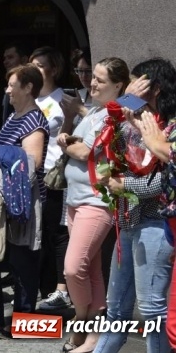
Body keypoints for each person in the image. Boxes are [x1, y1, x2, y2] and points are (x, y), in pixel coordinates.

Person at [92, 58, 175, 353]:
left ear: (155, 88)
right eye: (130, 86)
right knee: (115, 312)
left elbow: (165, 183)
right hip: (127, 222)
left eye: (138, 83)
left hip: (155, 224)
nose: (132, 89)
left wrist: (125, 185)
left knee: (153, 312)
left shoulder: (168, 127)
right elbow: (105, 147)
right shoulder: (132, 120)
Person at [56, 57, 129, 353]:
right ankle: (93, 336)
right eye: (92, 76)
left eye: (100, 79)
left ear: (118, 86)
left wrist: (65, 144)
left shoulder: (113, 114)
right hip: (76, 199)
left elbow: (86, 149)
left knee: (73, 269)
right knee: (91, 271)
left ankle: (82, 322)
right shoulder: (96, 110)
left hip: (96, 202)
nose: (92, 82)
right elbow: (77, 141)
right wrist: (69, 139)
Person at [0, 64, 48, 339]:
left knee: (22, 263)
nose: (7, 90)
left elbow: (32, 163)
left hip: (21, 204)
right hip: (0, 200)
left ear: (27, 88)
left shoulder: (34, 121)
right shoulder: (15, 116)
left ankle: (24, 322)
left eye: (12, 85)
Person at [28, 47, 71, 311]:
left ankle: (57, 290)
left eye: (40, 65)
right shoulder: (27, 99)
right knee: (36, 232)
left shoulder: (63, 99)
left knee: (55, 231)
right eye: (31, 65)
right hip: (31, 175)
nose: (34, 69)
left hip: (55, 174)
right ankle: (38, 288)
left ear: (53, 69)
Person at [1, 43, 29, 122]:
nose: (5, 62)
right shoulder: (7, 87)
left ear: (23, 60)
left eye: (10, 57)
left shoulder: (30, 87)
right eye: (5, 58)